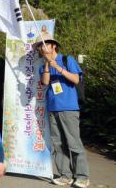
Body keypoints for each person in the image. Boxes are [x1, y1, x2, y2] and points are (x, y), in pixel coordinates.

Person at [36, 32, 90, 188]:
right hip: (53, 108)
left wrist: (58, 68)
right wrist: (48, 64)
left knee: (74, 143)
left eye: (45, 44)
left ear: (54, 45)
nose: (42, 47)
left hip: (69, 108)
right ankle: (65, 175)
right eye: (40, 46)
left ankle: (82, 176)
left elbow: (76, 79)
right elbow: (45, 82)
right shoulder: (43, 66)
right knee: (58, 144)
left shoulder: (67, 60)